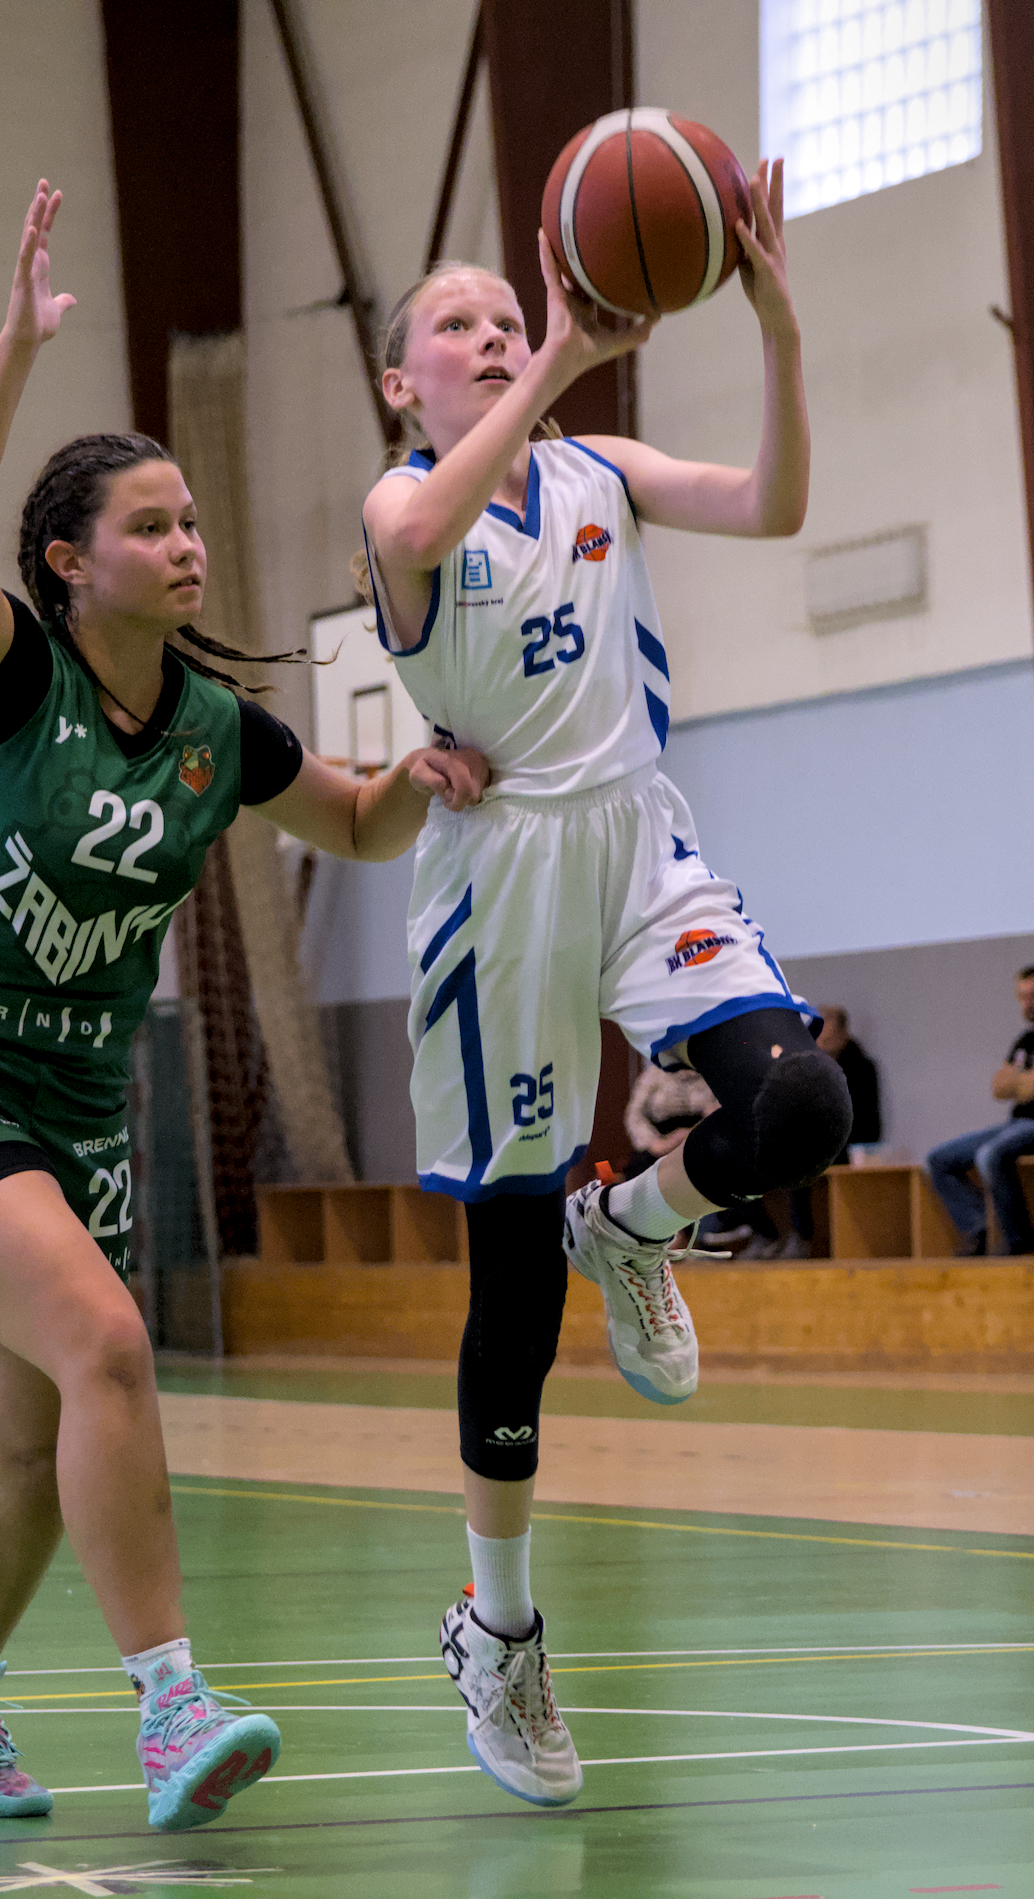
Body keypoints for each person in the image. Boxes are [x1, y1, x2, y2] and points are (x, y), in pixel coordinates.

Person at [0, 183, 488, 1833]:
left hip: (71, 1111)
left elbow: (351, 820)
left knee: (32, 1450)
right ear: (70, 561)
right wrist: (13, 344)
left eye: (193, 523)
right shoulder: (12, 675)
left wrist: (430, 774)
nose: (188, 545)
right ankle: (170, 1693)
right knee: (111, 1343)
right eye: (152, 525)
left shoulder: (215, 726)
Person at [359, 158, 851, 1809]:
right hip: (496, 879)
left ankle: (633, 1221)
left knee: (803, 1101)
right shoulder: (398, 508)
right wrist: (571, 347)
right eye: (459, 325)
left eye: (509, 314)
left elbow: (774, 505)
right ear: (400, 379)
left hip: (638, 842)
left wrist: (776, 324)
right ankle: (497, 1630)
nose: (496, 332)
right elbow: (415, 531)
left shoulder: (600, 469)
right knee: (510, 1295)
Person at [926, 966, 1034, 1256]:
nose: (1028, 1003)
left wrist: (1018, 1082)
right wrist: (1023, 1084)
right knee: (939, 1160)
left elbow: (1015, 1084)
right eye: (1023, 997)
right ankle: (978, 1228)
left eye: (1033, 996)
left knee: (989, 1155)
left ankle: (1018, 1240)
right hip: (1017, 1123)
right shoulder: (1025, 1041)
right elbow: (999, 1088)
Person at [776, 1005, 882, 1258]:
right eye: (819, 1039)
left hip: (853, 1143)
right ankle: (792, 1235)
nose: (823, 1045)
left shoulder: (861, 1068)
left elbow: (863, 1119)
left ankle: (808, 1238)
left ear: (844, 1035)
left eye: (829, 1039)